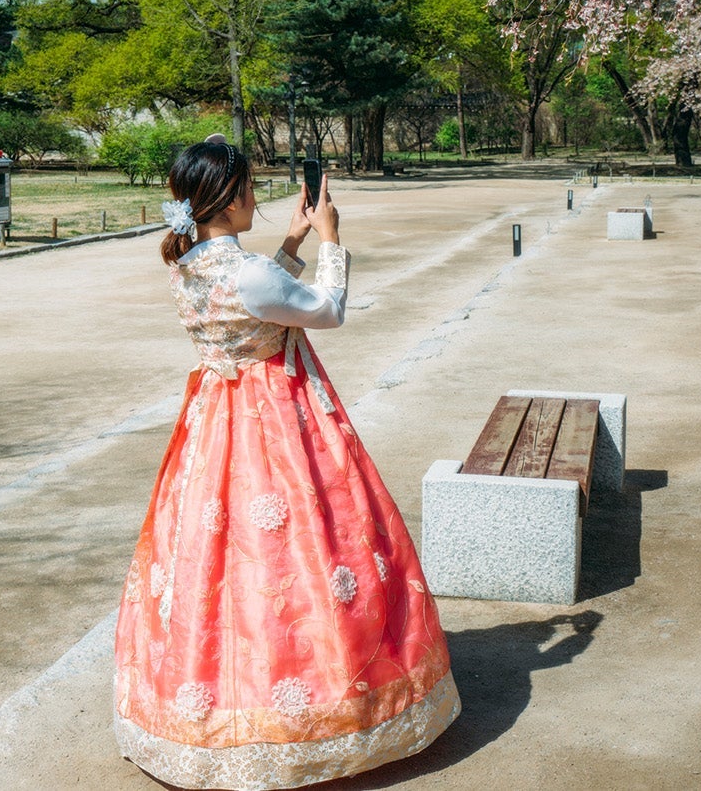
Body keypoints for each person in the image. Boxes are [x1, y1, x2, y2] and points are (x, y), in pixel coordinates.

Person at [113, 138, 459, 790]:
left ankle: (207, 700)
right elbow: (324, 310)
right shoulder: (248, 274)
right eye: (247, 191)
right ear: (224, 198)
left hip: (214, 417)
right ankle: (317, 699)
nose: (255, 201)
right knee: (302, 550)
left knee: (216, 561)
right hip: (274, 422)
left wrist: (292, 246)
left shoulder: (187, 263)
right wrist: (329, 239)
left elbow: (258, 294)